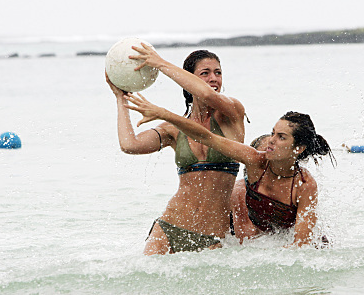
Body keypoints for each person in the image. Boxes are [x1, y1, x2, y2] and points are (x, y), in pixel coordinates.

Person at [123, 93, 335, 248]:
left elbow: (301, 246)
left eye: (281, 137)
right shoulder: (254, 161)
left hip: (299, 242)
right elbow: (208, 137)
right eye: (273, 133)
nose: (271, 140)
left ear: (298, 149)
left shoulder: (305, 185)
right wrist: (163, 114)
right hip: (260, 238)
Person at [106, 44, 246, 255]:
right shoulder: (174, 129)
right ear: (187, 79)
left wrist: (160, 63)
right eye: (205, 73)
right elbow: (130, 145)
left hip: (214, 234)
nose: (214, 78)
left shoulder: (231, 114)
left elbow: (207, 96)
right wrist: (121, 98)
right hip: (170, 227)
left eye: (218, 72)